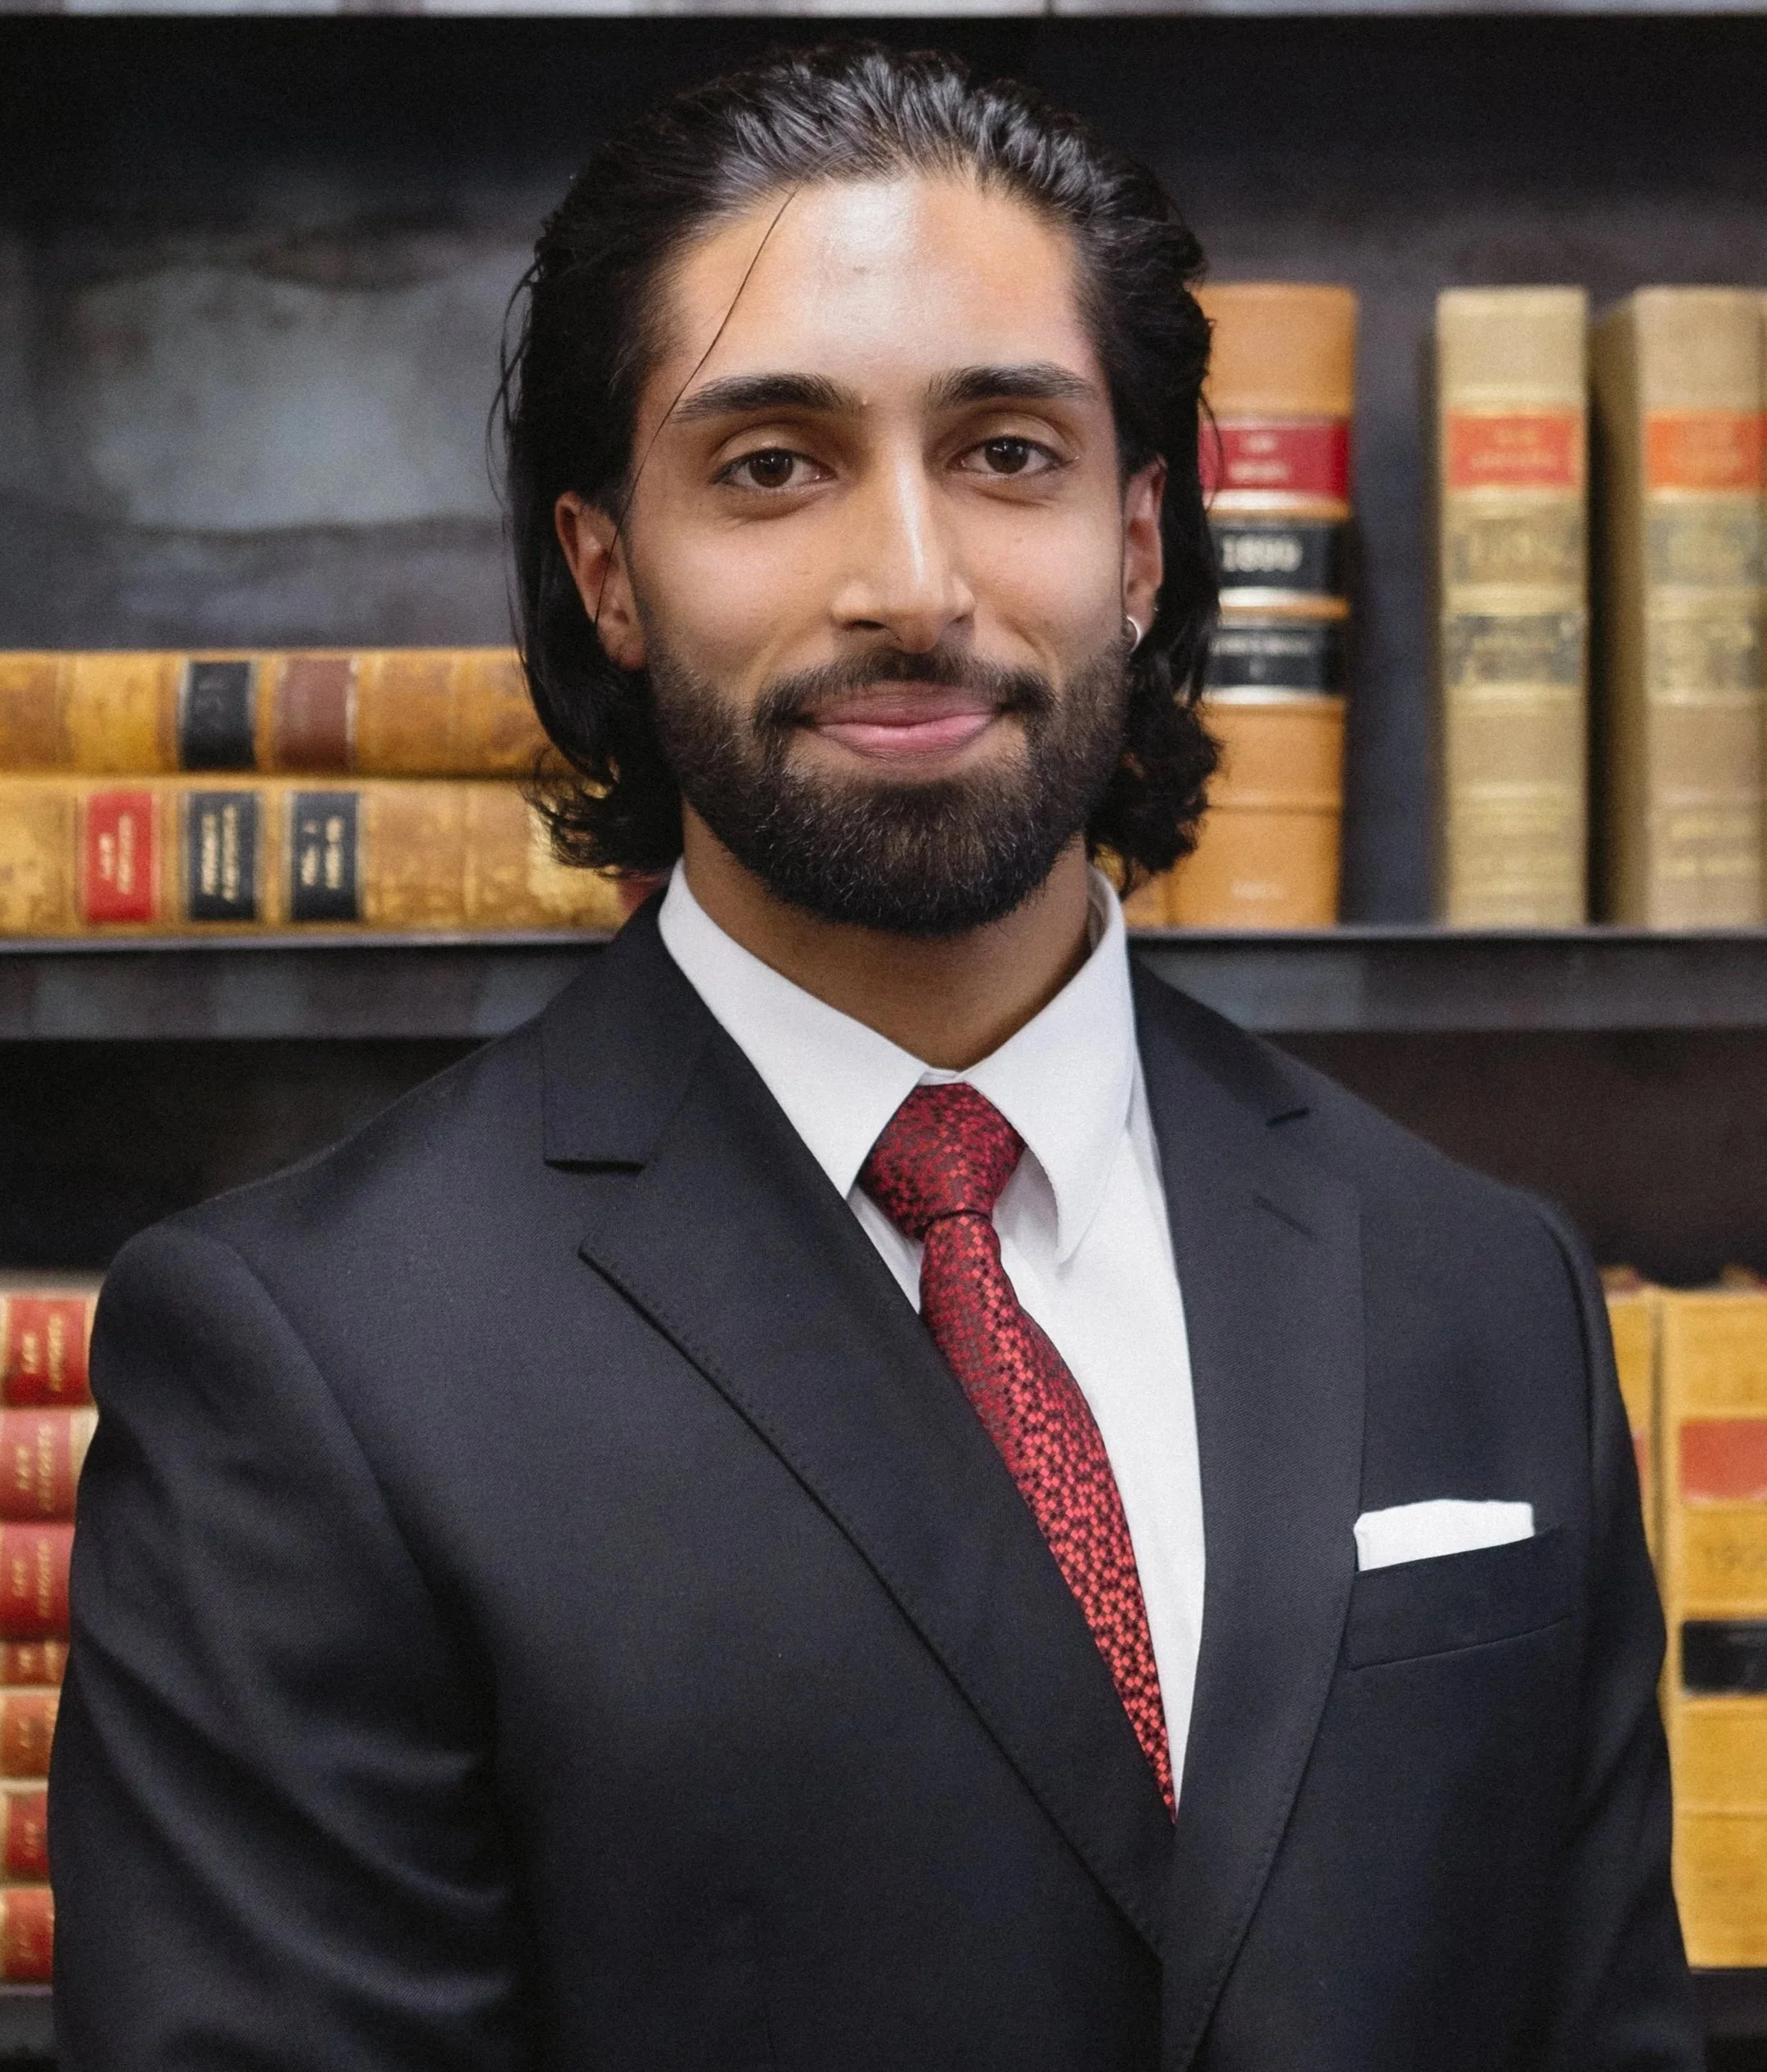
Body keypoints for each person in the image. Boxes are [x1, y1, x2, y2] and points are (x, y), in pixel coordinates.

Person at [52, 43, 1697, 2072]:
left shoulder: (1485, 1292)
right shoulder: (302, 1367)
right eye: (771, 466)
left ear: (1149, 538)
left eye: (1010, 451)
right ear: (605, 573)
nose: (910, 585)